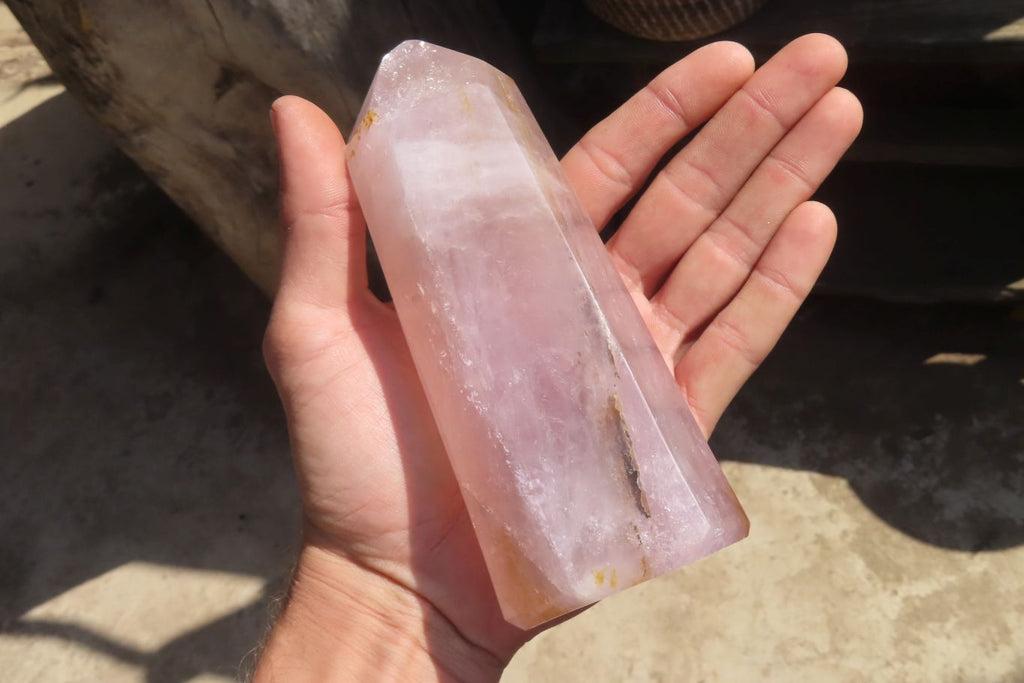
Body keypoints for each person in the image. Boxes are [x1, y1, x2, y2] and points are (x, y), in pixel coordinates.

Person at [253, 34, 862, 681]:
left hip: (636, 521)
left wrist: (387, 612)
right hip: (564, 546)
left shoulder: (421, 124)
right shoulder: (422, 129)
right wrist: (391, 598)